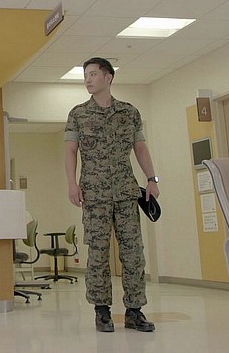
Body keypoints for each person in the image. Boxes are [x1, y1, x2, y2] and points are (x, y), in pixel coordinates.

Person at [63, 57, 159, 333]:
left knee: (133, 253)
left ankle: (134, 311)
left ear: (108, 77)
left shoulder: (129, 112)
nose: (88, 79)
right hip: (94, 195)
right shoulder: (78, 114)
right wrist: (72, 184)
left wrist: (151, 179)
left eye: (93, 74)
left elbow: (140, 148)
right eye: (85, 75)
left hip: (126, 193)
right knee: (98, 253)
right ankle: (102, 311)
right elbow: (70, 150)